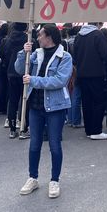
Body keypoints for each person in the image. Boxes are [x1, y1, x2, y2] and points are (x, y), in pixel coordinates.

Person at [15, 24, 73, 198]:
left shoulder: (65, 56)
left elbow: (59, 81)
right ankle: (32, 177)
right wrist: (22, 53)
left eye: (40, 35)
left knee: (55, 144)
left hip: (55, 107)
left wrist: (34, 80)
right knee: (34, 144)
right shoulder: (36, 53)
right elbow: (20, 70)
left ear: (49, 37)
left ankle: (54, 180)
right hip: (35, 105)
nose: (37, 38)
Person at [74, 22, 107, 140]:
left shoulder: (79, 36)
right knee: (98, 102)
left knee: (86, 102)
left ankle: (88, 129)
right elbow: (105, 54)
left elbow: (75, 56)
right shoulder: (97, 35)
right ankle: (96, 130)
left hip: (82, 74)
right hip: (96, 74)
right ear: (98, 23)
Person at [0, 22, 29, 138]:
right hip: (24, 72)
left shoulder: (6, 40)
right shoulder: (28, 39)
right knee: (25, 99)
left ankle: (12, 129)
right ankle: (23, 128)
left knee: (12, 100)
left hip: (11, 72)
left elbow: (2, 54)